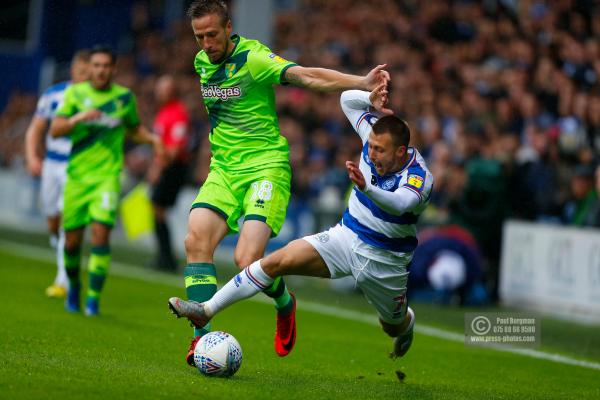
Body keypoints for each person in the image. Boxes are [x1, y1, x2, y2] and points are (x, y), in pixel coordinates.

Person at [178, 0, 390, 366]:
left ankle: (284, 302)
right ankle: (200, 340)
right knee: (196, 239)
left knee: (247, 259)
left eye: (212, 34)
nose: (206, 43)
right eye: (199, 37)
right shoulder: (201, 62)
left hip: (266, 168)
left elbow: (307, 76)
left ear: (229, 28)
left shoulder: (254, 59)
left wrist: (361, 83)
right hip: (225, 170)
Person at [169, 83, 433, 359]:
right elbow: (346, 100)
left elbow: (402, 202)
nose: (373, 153)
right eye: (372, 147)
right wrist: (370, 97)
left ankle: (406, 325)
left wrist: (367, 188)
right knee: (273, 263)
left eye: (381, 151)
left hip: (385, 261)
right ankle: (207, 310)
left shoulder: (419, 176)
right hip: (346, 237)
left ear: (401, 152)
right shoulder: (371, 135)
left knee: (392, 326)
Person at [49, 45, 163, 316]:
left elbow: (133, 129)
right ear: (90, 69)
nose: (100, 70)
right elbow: (55, 130)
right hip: (77, 178)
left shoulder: (124, 98)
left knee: (101, 235)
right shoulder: (76, 94)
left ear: (114, 69)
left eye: (105, 66)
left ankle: (93, 299)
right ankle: (75, 287)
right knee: (72, 243)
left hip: (108, 177)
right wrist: (78, 118)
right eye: (96, 65)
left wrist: (153, 138)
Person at [24, 50, 90, 298]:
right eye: (81, 71)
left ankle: (63, 280)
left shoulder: (97, 100)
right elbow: (36, 129)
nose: (85, 76)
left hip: (78, 167)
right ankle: (59, 245)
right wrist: (32, 157)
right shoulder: (53, 95)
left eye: (89, 73)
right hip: (52, 165)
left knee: (67, 222)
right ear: (73, 70)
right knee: (52, 218)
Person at [147, 75, 191, 272]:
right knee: (157, 209)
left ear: (172, 91)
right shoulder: (164, 111)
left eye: (163, 88)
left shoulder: (178, 113)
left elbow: (174, 149)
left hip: (172, 168)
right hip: (166, 166)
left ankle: (166, 258)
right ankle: (165, 257)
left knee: (158, 209)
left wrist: (158, 168)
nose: (159, 92)